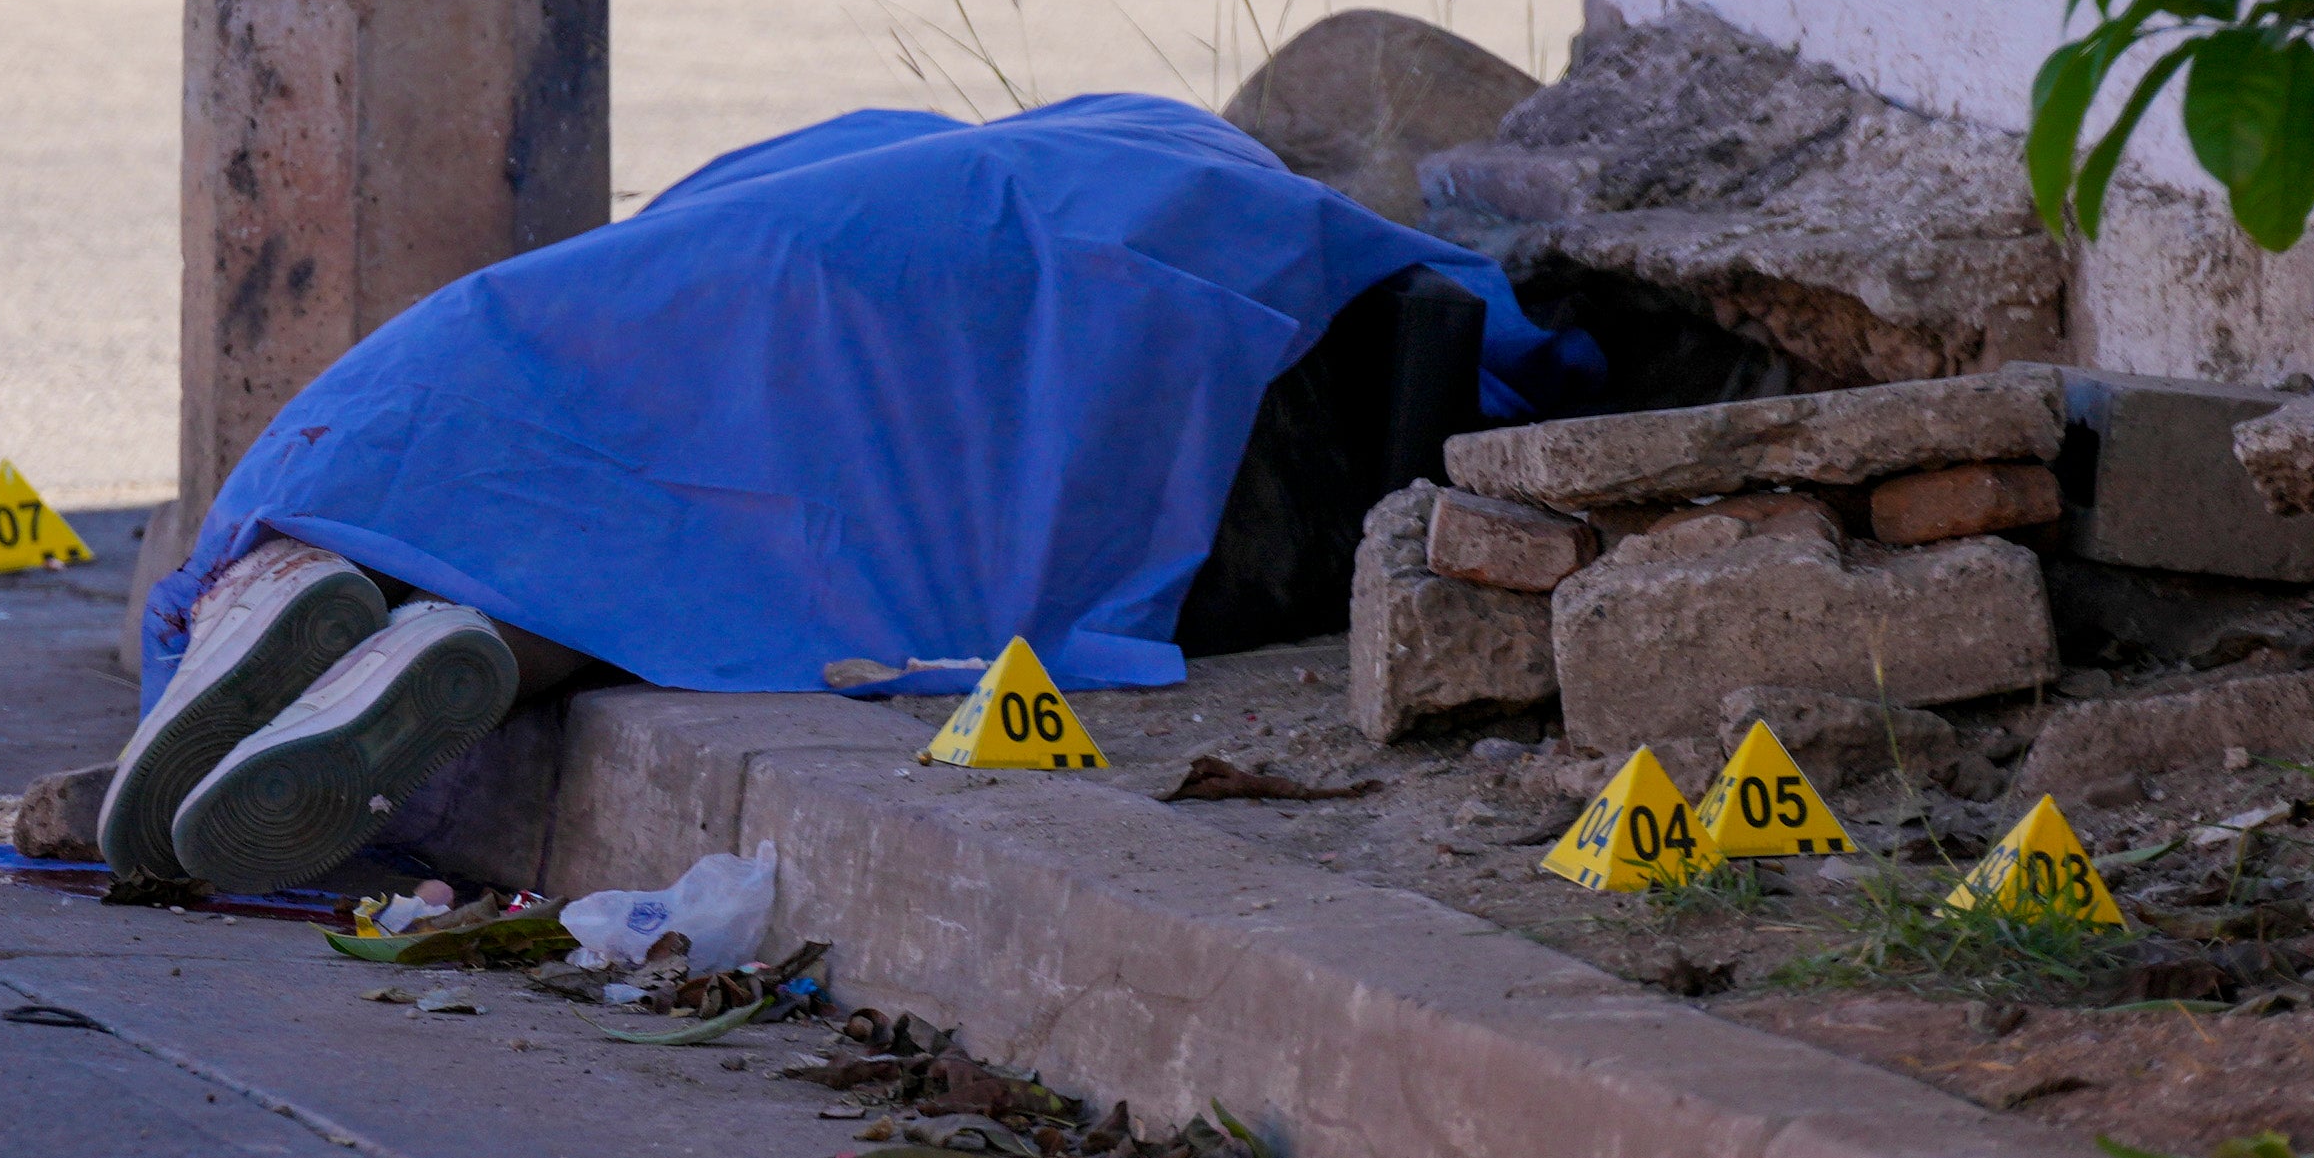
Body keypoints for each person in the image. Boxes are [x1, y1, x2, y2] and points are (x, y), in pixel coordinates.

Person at [97, 91, 1597, 897]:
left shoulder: (954, 138)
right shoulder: (1228, 181)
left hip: (713, 285)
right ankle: (485, 658)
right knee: (731, 567)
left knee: (517, 419)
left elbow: (714, 206)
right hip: (1006, 339)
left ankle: (292, 590)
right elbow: (1509, 335)